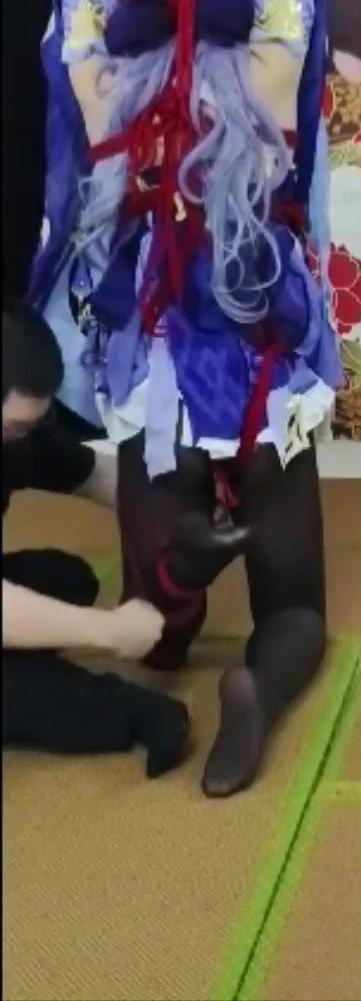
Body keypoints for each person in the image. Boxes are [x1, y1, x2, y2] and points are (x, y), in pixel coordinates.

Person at [28, 0, 342, 796]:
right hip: (264, 379)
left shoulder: (105, 83)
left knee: (155, 629)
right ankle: (259, 688)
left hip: (155, 381)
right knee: (297, 610)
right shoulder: (270, 72)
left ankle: (184, 566)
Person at [2, 301, 190, 777]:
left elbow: (94, 476)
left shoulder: (17, 437)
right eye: (17, 427)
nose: (26, 435)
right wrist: (108, 632)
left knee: (66, 580)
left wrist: (186, 513)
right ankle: (129, 712)